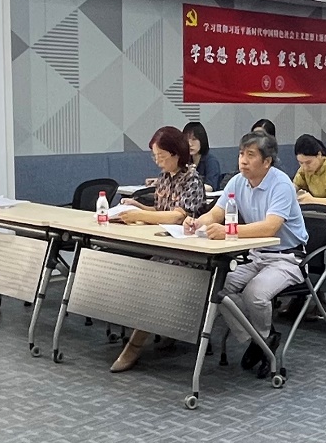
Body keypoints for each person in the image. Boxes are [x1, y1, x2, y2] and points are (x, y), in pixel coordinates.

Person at [185, 132, 308, 370]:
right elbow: (216, 213)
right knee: (216, 287)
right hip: (255, 255)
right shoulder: (237, 181)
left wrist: (228, 232)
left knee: (255, 293)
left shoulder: (281, 184)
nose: (243, 160)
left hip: (287, 257)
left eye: (250, 155)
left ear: (267, 161)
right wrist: (197, 222)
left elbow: (270, 227)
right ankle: (259, 340)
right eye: (241, 154)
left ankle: (262, 341)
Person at [108, 127, 211, 372]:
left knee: (154, 280)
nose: (158, 161)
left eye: (162, 156)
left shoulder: (192, 179)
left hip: (188, 252)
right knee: (136, 270)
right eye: (155, 156)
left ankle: (134, 346)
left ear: (176, 154)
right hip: (165, 245)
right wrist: (137, 206)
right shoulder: (165, 177)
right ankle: (160, 328)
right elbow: (160, 211)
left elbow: (177, 216)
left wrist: (140, 215)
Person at [183, 122, 222, 190]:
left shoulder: (211, 161)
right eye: (187, 139)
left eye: (194, 139)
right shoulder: (185, 160)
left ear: (202, 140)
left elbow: (210, 187)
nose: (190, 144)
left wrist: (190, 186)